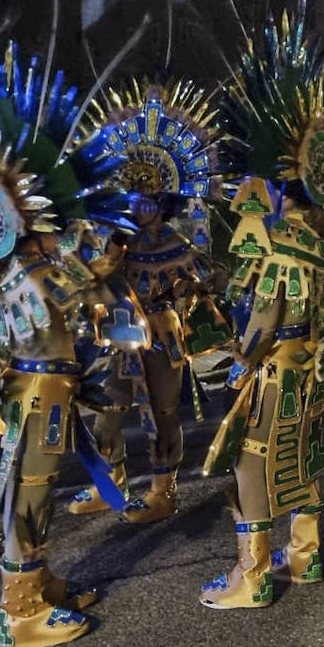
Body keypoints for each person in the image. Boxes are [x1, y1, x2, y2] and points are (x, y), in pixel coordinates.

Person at [0, 18, 137, 647]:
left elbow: (87, 288)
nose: (64, 225)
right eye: (51, 214)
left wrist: (99, 273)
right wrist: (91, 270)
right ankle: (20, 613)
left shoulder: (36, 263)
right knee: (28, 496)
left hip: (48, 392)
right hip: (33, 395)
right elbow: (48, 306)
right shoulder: (18, 270)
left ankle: (37, 582)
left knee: (36, 493)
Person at [199, 7, 324, 608]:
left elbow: (266, 315)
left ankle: (253, 579)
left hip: (278, 366)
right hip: (315, 368)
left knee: (250, 466)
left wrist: (238, 359)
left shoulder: (276, 239)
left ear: (278, 182)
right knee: (301, 458)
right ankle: (307, 559)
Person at [65, 78, 227, 524]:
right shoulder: (109, 243)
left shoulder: (176, 241)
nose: (142, 209)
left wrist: (189, 290)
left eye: (151, 201)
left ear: (165, 202)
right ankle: (110, 483)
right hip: (116, 334)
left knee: (163, 413)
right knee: (108, 411)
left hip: (163, 335)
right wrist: (112, 256)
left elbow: (208, 277)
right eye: (134, 200)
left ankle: (162, 491)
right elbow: (83, 283)